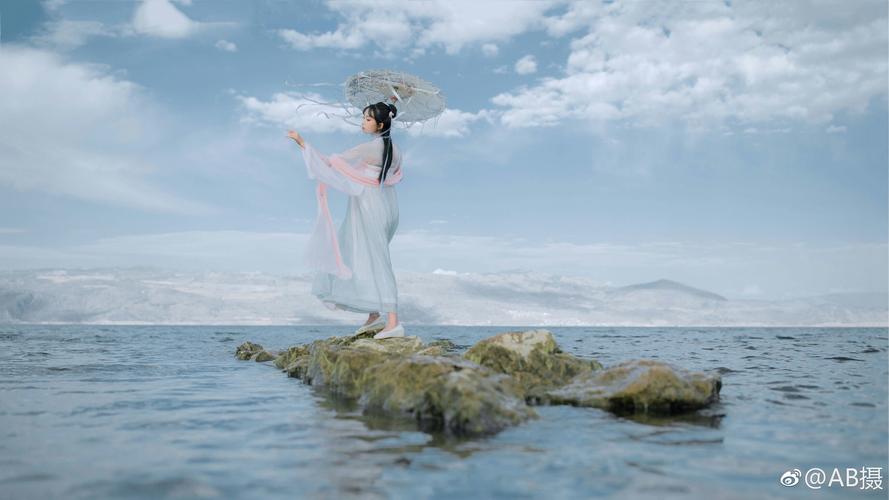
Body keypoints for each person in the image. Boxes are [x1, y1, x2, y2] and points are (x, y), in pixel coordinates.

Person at [287, 101, 405, 339]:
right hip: (387, 206)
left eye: (368, 119)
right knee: (368, 256)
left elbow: (330, 163)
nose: (363, 123)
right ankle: (374, 315)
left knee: (378, 261)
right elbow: (392, 177)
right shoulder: (396, 150)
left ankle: (393, 322)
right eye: (364, 118)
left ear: (380, 124)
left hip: (369, 205)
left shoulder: (369, 148)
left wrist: (302, 143)